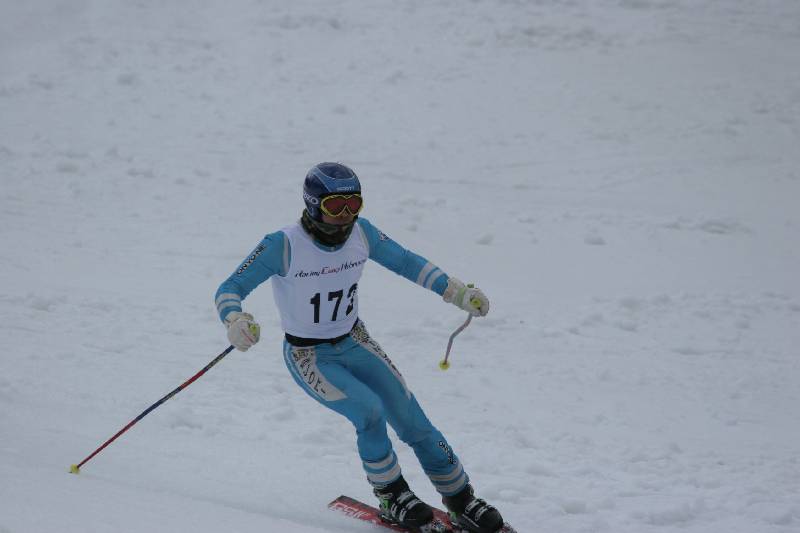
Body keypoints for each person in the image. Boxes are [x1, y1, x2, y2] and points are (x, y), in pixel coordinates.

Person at [214, 162, 505, 533]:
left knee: (411, 417)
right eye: (335, 206)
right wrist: (235, 319)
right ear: (313, 204)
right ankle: (391, 495)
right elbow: (229, 288)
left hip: (356, 341)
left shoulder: (361, 233)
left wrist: (455, 291)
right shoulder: (282, 245)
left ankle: (461, 498)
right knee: (368, 411)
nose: (345, 215)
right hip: (310, 356)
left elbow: (406, 261)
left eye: (354, 204)